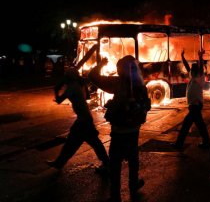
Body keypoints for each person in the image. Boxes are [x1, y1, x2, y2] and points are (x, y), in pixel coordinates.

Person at [88, 55, 148, 202]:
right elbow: (146, 107)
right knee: (133, 160)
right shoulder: (141, 86)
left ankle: (115, 196)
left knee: (115, 164)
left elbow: (92, 76)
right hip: (134, 131)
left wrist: (101, 64)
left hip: (119, 132)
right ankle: (133, 186)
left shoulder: (117, 83)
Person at [46, 68, 110, 173]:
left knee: (76, 143)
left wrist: (56, 89)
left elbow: (59, 100)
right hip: (85, 119)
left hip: (83, 120)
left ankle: (107, 164)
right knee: (85, 142)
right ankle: (59, 163)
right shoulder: (80, 85)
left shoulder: (72, 87)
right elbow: (87, 97)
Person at [172, 49, 210, 150]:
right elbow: (187, 66)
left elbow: (201, 66)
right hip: (193, 105)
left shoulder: (200, 77)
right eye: (191, 71)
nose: (191, 71)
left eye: (193, 70)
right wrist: (182, 56)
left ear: (197, 71)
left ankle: (179, 145)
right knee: (199, 125)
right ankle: (206, 143)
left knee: (186, 125)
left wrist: (200, 56)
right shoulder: (192, 76)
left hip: (196, 105)